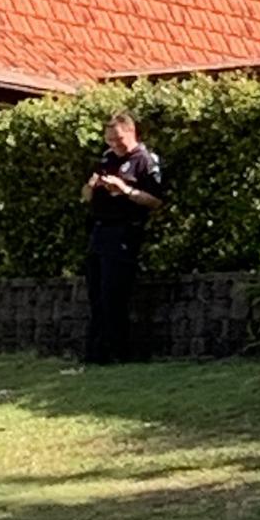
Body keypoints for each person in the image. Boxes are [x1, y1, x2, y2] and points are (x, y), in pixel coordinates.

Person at [80, 112, 164, 365]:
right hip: (100, 231)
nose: (114, 146)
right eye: (109, 141)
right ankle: (97, 354)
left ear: (131, 133)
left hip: (124, 232)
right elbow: (84, 197)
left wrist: (125, 190)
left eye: (118, 140)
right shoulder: (106, 159)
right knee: (96, 294)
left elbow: (156, 200)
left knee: (113, 294)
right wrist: (91, 187)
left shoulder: (145, 160)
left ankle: (119, 352)